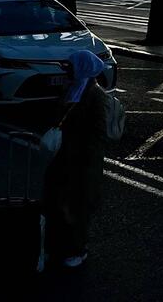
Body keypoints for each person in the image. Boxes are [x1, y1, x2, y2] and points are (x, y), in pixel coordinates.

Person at [42, 49, 108, 269]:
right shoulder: (72, 88)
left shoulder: (95, 95)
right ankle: (57, 246)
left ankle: (77, 249)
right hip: (63, 156)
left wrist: (86, 159)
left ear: (83, 67)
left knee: (75, 206)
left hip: (80, 161)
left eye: (71, 67)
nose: (67, 70)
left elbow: (98, 133)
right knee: (55, 202)